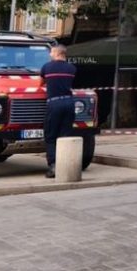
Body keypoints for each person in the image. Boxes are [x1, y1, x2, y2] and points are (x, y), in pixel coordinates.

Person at [40, 44, 76, 179]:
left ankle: (53, 166)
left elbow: (40, 83)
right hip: (69, 103)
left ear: (57, 53)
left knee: (50, 136)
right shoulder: (71, 68)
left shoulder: (47, 67)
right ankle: (64, 166)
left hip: (54, 103)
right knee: (64, 135)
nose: (50, 55)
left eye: (51, 52)